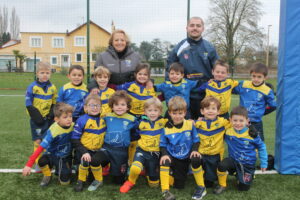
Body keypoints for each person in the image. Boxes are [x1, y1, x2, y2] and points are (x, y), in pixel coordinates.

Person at [166, 16, 219, 120]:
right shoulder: (178, 48)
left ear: (203, 29)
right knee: (185, 130)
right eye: (192, 25)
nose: (195, 28)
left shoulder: (210, 48)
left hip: (206, 97)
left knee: (204, 131)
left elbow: (218, 71)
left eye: (198, 26)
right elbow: (169, 70)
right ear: (187, 28)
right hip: (184, 96)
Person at [214, 106, 267, 194]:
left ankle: (246, 175)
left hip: (247, 164)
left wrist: (264, 162)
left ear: (247, 121)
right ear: (230, 120)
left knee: (243, 188)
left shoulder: (252, 134)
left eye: (241, 121)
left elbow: (261, 147)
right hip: (233, 161)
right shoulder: (228, 132)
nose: (238, 123)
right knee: (222, 165)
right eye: (235, 120)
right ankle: (222, 185)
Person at [159, 96, 204, 200]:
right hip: (174, 157)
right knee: (164, 161)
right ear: (169, 113)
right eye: (174, 113)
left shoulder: (190, 124)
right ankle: (165, 191)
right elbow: (163, 144)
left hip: (186, 156)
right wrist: (165, 154)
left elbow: (196, 140)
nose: (177, 116)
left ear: (185, 112)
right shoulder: (166, 128)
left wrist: (194, 150)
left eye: (180, 113)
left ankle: (201, 187)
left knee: (196, 158)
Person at [120, 97, 167, 193]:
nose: (152, 113)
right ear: (145, 112)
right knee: (135, 168)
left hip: (155, 153)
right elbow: (129, 128)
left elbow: (178, 122)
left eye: (155, 110)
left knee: (154, 184)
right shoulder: (140, 123)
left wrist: (193, 122)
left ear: (160, 111)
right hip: (142, 150)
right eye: (150, 110)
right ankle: (130, 181)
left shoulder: (164, 122)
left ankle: (149, 172)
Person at [22, 102, 74, 186]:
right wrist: (29, 165)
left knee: (65, 183)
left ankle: (60, 170)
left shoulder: (73, 126)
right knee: (41, 161)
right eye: (65, 117)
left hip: (65, 156)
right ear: (57, 119)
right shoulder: (53, 131)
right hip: (52, 155)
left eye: (70, 116)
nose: (69, 119)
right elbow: (40, 148)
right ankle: (47, 174)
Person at [117, 63, 157, 165]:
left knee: (142, 138)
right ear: (135, 74)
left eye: (145, 75)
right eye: (140, 74)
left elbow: (156, 100)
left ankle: (140, 161)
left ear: (148, 76)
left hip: (144, 117)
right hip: (131, 116)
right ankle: (128, 162)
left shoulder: (151, 88)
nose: (142, 76)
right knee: (130, 139)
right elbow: (115, 88)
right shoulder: (129, 85)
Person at [99, 91, 138, 184]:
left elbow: (136, 133)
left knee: (118, 181)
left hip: (121, 151)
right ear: (112, 106)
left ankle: (120, 170)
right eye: (116, 104)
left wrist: (128, 139)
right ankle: (104, 167)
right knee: (95, 161)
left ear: (128, 107)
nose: (119, 107)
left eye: (122, 104)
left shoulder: (132, 119)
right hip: (107, 148)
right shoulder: (107, 117)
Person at [25, 61, 57, 170]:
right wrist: (35, 116)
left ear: (50, 74)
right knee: (38, 141)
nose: (45, 75)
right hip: (36, 119)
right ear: (37, 73)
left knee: (47, 140)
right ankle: (38, 164)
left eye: (47, 73)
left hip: (47, 118)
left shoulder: (52, 87)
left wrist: (51, 114)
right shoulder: (32, 86)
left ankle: (48, 161)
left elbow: (54, 102)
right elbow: (28, 103)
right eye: (42, 72)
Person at [194, 96, 230, 190]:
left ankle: (213, 178)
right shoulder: (198, 124)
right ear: (202, 111)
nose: (210, 111)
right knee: (199, 168)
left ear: (218, 112)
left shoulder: (223, 122)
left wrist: (248, 125)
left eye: (213, 109)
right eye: (207, 108)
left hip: (215, 154)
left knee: (210, 182)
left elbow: (235, 123)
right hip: (201, 153)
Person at [233, 63, 276, 141]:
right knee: (241, 141)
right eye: (253, 76)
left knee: (259, 142)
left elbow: (273, 106)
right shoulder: (244, 85)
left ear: (265, 77)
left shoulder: (267, 91)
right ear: (250, 75)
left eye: (259, 77)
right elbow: (229, 88)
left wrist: (262, 112)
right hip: (242, 121)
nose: (256, 79)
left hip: (256, 122)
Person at [71, 94, 106, 192]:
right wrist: (84, 152)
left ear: (101, 107)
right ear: (85, 107)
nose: (95, 108)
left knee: (91, 175)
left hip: (98, 150)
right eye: (91, 105)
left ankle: (99, 179)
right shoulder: (82, 120)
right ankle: (80, 180)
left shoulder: (104, 119)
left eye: (97, 105)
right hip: (85, 150)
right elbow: (74, 139)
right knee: (85, 160)